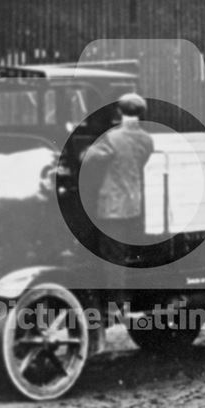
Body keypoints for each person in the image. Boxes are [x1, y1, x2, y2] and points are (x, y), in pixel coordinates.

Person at [81, 93, 154, 289]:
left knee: (112, 259)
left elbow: (87, 160)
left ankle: (116, 308)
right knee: (123, 255)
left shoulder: (110, 138)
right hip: (133, 206)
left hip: (112, 208)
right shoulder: (147, 139)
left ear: (119, 112)